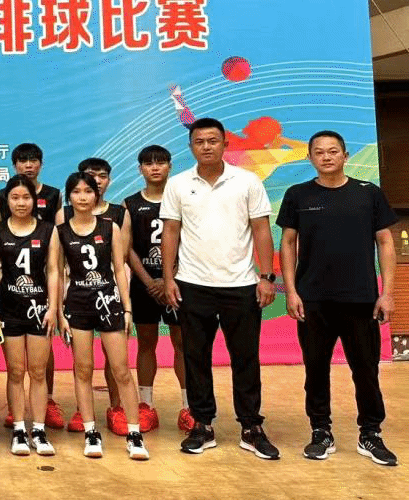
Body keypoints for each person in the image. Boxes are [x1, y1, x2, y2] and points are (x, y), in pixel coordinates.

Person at [161, 117, 280, 460]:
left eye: (213, 140)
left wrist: (266, 276)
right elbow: (171, 231)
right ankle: (202, 425)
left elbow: (261, 229)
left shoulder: (246, 181)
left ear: (225, 143)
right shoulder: (179, 184)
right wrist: (168, 278)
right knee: (195, 357)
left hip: (241, 285)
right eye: (199, 141)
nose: (206, 146)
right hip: (192, 285)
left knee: (245, 358)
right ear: (191, 147)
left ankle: (251, 427)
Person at [277, 130, 398, 466]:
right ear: (310, 158)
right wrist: (292, 291)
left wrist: (387, 294)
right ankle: (321, 431)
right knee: (315, 370)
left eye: (333, 151)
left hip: (361, 300)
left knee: (366, 370)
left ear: (345, 156)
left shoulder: (368, 193)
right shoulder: (297, 195)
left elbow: (385, 242)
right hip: (313, 300)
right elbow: (288, 243)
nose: (326, 157)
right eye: (319, 152)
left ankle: (370, 433)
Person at [57, 172, 148, 461]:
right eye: (76, 192)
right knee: (83, 370)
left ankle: (134, 434)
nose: (82, 197)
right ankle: (90, 432)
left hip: (108, 302)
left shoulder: (111, 227)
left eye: (88, 191)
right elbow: (56, 274)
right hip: (77, 304)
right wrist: (59, 312)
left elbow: (120, 269)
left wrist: (127, 307)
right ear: (69, 197)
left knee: (121, 370)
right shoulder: (61, 232)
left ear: (96, 195)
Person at [0, 175, 61, 457]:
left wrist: (53, 308)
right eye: (15, 198)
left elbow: (53, 270)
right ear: (6, 201)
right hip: (9, 308)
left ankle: (39, 430)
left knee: (38, 372)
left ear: (35, 200)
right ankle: (19, 428)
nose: (20, 203)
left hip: (39, 310)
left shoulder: (48, 230)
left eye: (26, 197)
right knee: (16, 372)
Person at [123, 145, 189, 433]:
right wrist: (150, 282)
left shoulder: (182, 200)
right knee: (146, 343)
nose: (155, 168)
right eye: (148, 163)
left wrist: (169, 277)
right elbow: (127, 248)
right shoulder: (130, 204)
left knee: (182, 344)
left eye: (160, 162)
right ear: (140, 169)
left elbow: (190, 241)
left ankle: (188, 407)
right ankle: (146, 405)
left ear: (170, 166)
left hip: (178, 283)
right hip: (144, 286)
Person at [0, 143, 62, 224]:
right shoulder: (0, 196)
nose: (28, 165)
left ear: (41, 164)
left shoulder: (54, 194)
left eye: (33, 161)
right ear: (14, 166)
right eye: (23, 161)